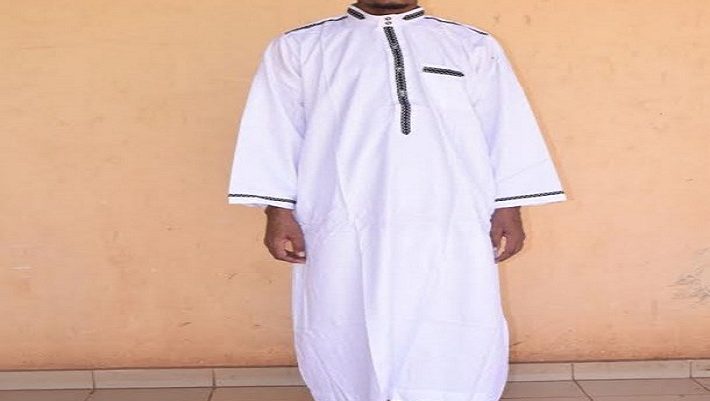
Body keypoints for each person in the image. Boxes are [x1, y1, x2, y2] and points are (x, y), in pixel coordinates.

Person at [227, 1, 566, 400]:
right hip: (342, 215)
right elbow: (273, 130)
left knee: (454, 310)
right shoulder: (300, 46)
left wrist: (509, 206)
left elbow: (505, 126)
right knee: (342, 313)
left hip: (450, 215)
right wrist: (277, 210)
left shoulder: (470, 44)